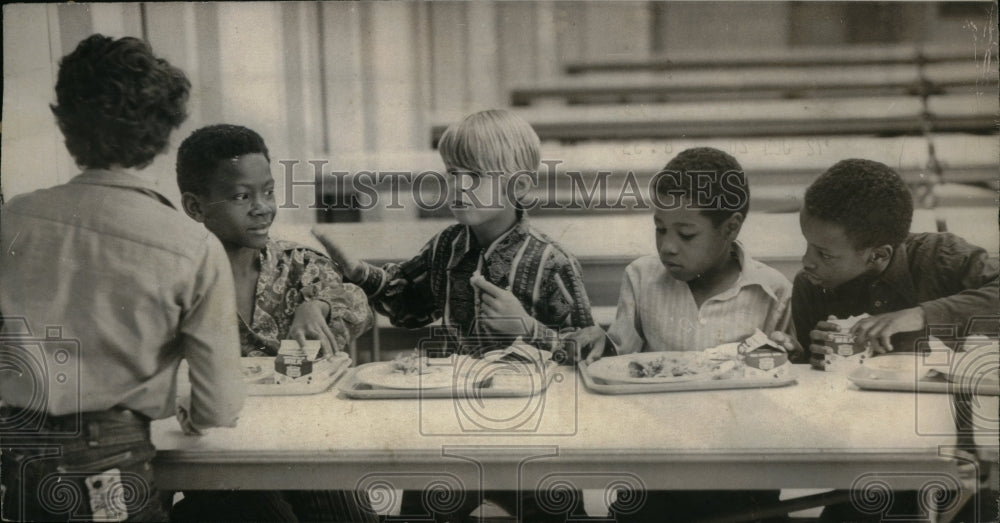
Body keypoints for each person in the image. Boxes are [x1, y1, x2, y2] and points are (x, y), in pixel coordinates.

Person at [0, 34, 244, 521]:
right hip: (108, 459)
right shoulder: (191, 244)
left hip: (18, 453)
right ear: (163, 131)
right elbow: (219, 406)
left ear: (67, 122)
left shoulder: (13, 220)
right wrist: (190, 414)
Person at [314, 109, 595, 522]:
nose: (458, 186)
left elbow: (586, 353)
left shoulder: (552, 261)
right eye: (451, 173)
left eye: (475, 176)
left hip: (534, 440)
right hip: (450, 428)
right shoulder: (447, 245)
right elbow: (410, 307)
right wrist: (361, 275)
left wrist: (528, 328)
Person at [573, 147, 794, 522]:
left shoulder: (771, 290)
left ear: (731, 228)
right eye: (659, 229)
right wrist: (600, 344)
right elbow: (617, 365)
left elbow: (782, 389)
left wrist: (787, 353)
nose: (666, 246)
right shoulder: (642, 279)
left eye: (686, 234)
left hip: (744, 479)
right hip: (656, 474)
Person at [169, 124, 376, 522]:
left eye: (268, 191)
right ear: (195, 207)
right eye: (242, 196)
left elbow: (357, 304)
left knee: (351, 515)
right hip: (218, 461)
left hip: (302, 450)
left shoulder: (297, 263)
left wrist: (319, 307)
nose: (262, 207)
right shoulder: (177, 280)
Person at [792, 158, 998, 522]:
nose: (807, 262)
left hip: (961, 464)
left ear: (879, 255)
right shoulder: (812, 288)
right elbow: (819, 397)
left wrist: (918, 314)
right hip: (865, 468)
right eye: (808, 245)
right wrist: (818, 357)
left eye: (823, 253)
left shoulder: (941, 257)